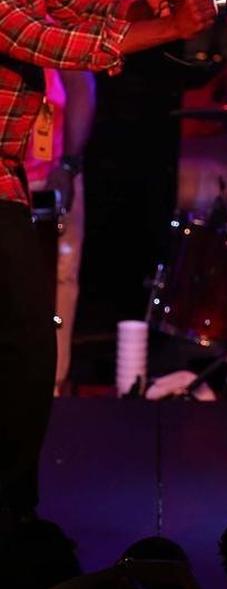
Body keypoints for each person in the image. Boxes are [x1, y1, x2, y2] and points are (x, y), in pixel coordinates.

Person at [0, 0, 216, 523]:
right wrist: (171, 27)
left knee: (26, 342)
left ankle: (15, 504)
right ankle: (13, 509)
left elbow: (93, 8)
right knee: (28, 342)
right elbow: (64, 46)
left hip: (7, 179)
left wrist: (146, 9)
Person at [23, 68, 95, 395]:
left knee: (61, 276)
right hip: (9, 176)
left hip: (52, 175)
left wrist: (68, 165)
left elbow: (82, 88)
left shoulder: (60, 39)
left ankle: (53, 384)